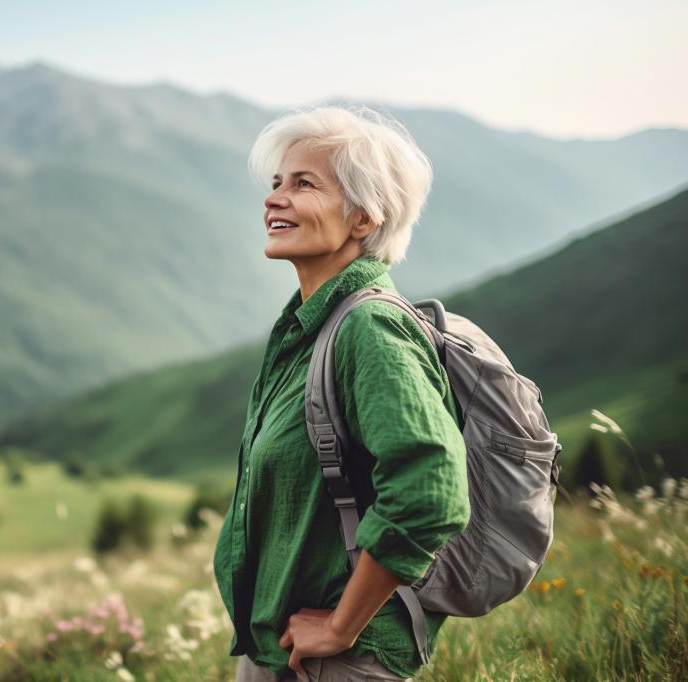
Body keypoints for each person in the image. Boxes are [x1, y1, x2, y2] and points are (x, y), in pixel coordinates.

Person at [212, 105, 471, 682]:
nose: (274, 198)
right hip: (281, 646)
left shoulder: (368, 329)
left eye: (303, 183)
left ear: (363, 218)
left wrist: (340, 627)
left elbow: (430, 491)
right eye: (276, 182)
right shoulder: (308, 328)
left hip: (340, 659)